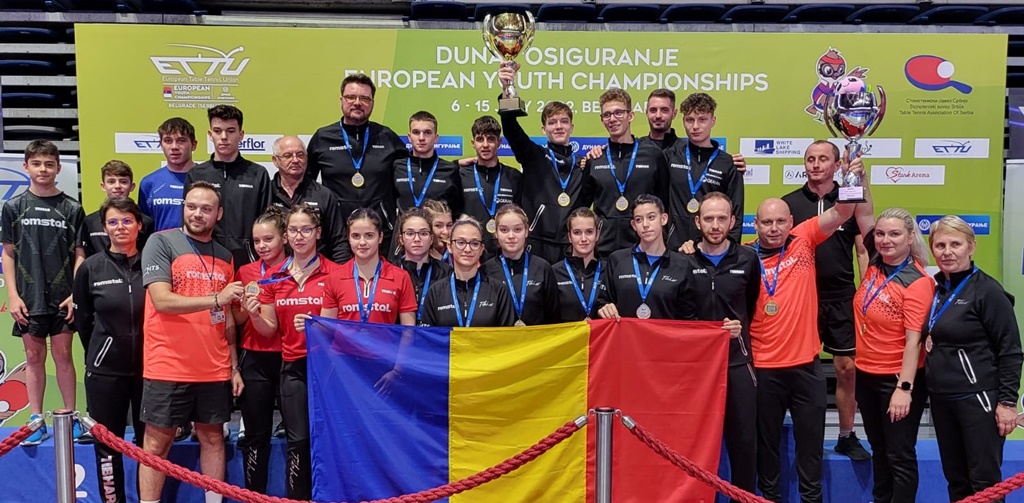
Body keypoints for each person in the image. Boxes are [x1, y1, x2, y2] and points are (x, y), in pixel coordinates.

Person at [748, 152, 872, 503]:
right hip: (763, 369)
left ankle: (811, 499)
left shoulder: (804, 239)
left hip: (805, 367)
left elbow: (843, 212)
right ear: (755, 225)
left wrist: (853, 178)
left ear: (791, 222)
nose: (774, 228)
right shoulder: (743, 257)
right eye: (766, 222)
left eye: (780, 221)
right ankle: (768, 498)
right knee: (766, 445)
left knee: (811, 445)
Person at [138, 181, 245, 503]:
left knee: (213, 439)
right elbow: (162, 301)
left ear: (218, 214)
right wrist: (217, 298)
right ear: (184, 207)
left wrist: (234, 365)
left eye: (206, 208)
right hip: (168, 365)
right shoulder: (160, 242)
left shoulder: (225, 256)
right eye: (192, 206)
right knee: (156, 444)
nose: (198, 214)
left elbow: (227, 317)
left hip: (213, 367)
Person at [781, 140, 871, 460]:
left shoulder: (849, 197)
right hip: (800, 297)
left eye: (823, 159)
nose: (816, 164)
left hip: (841, 295)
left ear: (836, 165)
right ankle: (797, 436)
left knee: (847, 367)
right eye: (810, 159)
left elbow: (863, 248)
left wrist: (866, 291)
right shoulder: (789, 204)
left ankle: (846, 435)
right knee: (797, 369)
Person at [244, 204, 340, 500]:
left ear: (318, 233)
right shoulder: (275, 277)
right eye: (294, 230)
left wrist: (317, 325)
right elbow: (269, 329)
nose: (300, 236)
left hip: (329, 369)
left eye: (306, 230)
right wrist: (255, 315)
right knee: (298, 441)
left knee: (331, 439)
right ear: (286, 235)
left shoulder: (336, 274)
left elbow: (344, 327)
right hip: (293, 367)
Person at [926, 215, 1023, 502]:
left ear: (971, 246)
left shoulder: (988, 291)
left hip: (978, 399)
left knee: (984, 481)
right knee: (956, 480)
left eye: (955, 244)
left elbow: (1010, 349)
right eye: (940, 245)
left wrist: (1007, 403)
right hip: (943, 399)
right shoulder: (937, 289)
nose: (947, 252)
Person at [2, 140, 86, 445]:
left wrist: (75, 293)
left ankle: (71, 416)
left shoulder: (72, 208)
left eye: (49, 164)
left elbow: (80, 254)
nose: (43, 169)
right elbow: (8, 253)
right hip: (29, 297)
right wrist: (13, 295)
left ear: (58, 168)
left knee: (63, 356)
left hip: (63, 296)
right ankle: (36, 420)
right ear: (26, 167)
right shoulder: (13, 207)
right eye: (37, 164)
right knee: (33, 357)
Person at [681, 192, 760, 502]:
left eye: (722, 219)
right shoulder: (683, 260)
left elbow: (749, 305)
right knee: (696, 445)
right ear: (697, 222)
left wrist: (739, 328)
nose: (715, 225)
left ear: (733, 221)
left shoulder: (747, 259)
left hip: (737, 364)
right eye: (709, 218)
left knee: (744, 445)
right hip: (696, 370)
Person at [852, 208, 934, 503]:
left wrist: (904, 389)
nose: (886, 240)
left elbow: (914, 342)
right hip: (866, 375)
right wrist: (856, 183)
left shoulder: (917, 282)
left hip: (897, 380)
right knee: (879, 449)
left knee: (899, 454)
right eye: (881, 234)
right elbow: (864, 214)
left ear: (911, 237)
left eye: (895, 234)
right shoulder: (877, 260)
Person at [72, 196, 146, 503]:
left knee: (149, 447)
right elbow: (83, 322)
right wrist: (102, 352)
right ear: (104, 228)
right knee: (107, 445)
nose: (120, 227)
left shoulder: (154, 265)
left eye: (127, 221)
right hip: (105, 373)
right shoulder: (90, 268)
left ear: (139, 225)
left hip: (150, 371)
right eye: (113, 222)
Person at [497, 64, 585, 264]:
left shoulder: (583, 164)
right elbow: (510, 128)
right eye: (552, 122)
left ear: (572, 127)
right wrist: (507, 89)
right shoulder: (533, 155)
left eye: (564, 121)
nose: (559, 126)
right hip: (536, 244)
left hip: (571, 245)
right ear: (543, 129)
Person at [306, 73, 408, 247]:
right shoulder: (323, 138)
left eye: (364, 98)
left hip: (380, 234)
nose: (357, 103)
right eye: (351, 97)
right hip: (336, 233)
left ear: (372, 103)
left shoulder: (387, 137)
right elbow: (307, 185)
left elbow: (411, 176)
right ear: (341, 100)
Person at [232, 207, 289, 494]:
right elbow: (236, 319)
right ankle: (255, 496)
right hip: (254, 357)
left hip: (290, 358)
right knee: (255, 436)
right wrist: (247, 309)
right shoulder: (246, 272)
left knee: (298, 436)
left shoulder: (296, 270)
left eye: (268, 239)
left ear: (284, 238)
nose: (262, 246)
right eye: (257, 241)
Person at [580, 89, 669, 257]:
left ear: (631, 116)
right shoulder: (596, 159)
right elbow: (583, 207)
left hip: (644, 249)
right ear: (602, 120)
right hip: (602, 252)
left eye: (619, 113)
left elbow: (665, 202)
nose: (612, 119)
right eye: (607, 115)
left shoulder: (653, 155)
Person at [184, 104, 273, 269]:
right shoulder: (196, 174)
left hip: (249, 261)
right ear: (210, 135)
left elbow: (267, 221)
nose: (224, 137)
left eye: (230, 131)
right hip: (204, 259)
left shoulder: (257, 173)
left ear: (241, 135)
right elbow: (187, 221)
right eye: (217, 131)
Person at [595, 194, 698, 322]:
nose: (645, 224)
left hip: (663, 334)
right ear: (633, 225)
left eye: (651, 217)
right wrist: (604, 308)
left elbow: (688, 319)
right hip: (626, 334)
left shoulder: (682, 264)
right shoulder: (617, 259)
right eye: (639, 219)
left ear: (664, 219)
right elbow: (602, 302)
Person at [662, 93, 744, 249]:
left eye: (702, 120)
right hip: (674, 248)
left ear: (713, 121)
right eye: (690, 120)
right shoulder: (670, 156)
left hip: (710, 249)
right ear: (683, 121)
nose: (695, 126)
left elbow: (736, 214)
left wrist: (728, 252)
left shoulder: (728, 164)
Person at [321, 208, 418, 326]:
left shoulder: (400, 277)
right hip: (344, 340)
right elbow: (325, 328)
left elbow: (408, 330)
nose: (362, 242)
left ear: (380, 237)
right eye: (356, 236)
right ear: (348, 238)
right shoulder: (335, 278)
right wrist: (307, 323)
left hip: (384, 339)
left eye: (369, 235)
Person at [420, 217, 515, 327]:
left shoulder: (498, 291)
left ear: (481, 249)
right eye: (461, 243)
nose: (467, 249)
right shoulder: (435, 292)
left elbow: (507, 335)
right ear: (450, 246)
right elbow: (428, 335)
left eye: (474, 244)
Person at [269, 136, 349, 263]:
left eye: (300, 155)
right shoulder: (266, 192)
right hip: (274, 271)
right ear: (275, 160)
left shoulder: (323, 195)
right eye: (288, 156)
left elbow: (338, 241)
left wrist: (341, 272)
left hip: (317, 270)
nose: (295, 160)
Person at [482, 204, 559, 326]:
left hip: (536, 338)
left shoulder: (543, 268)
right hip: (499, 338)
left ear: (526, 231)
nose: (511, 236)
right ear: (496, 233)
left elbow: (554, 318)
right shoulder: (486, 270)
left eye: (517, 230)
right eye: (504, 230)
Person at [457, 116, 522, 256]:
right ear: (473, 143)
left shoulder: (514, 176)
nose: (485, 145)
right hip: (469, 251)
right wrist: (456, 163)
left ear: (499, 142)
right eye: (480, 139)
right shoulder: (460, 175)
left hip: (504, 252)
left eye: (491, 139)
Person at [393, 111, 462, 216]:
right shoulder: (397, 167)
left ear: (436, 138)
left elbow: (457, 209)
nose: (421, 138)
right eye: (416, 132)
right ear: (409, 137)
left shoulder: (450, 170)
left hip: (436, 227)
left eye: (427, 132)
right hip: (404, 227)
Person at [82, 160, 155, 257]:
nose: (117, 186)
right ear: (103, 186)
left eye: (123, 182)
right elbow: (83, 254)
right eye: (111, 181)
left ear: (132, 186)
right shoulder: (90, 221)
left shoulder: (146, 222)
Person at [139, 117, 197, 232]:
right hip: (160, 244)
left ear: (194, 145)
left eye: (181, 141)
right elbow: (144, 228)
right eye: (168, 141)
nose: (174, 147)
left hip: (199, 244)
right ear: (161, 145)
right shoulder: (149, 183)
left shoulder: (208, 179)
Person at [395, 208, 451, 324]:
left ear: (431, 239)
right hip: (398, 334)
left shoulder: (447, 273)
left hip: (433, 334)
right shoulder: (389, 272)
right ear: (401, 239)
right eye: (410, 233)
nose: (417, 239)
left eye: (423, 233)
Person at [552, 207, 606, 322]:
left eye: (589, 232)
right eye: (577, 233)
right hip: (566, 334)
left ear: (597, 235)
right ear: (569, 237)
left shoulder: (608, 271)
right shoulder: (554, 272)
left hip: (599, 334)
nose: (583, 239)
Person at [423, 199, 453, 264]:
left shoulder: (459, 255)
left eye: (449, 225)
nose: (446, 232)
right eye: (438, 226)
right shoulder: (417, 258)